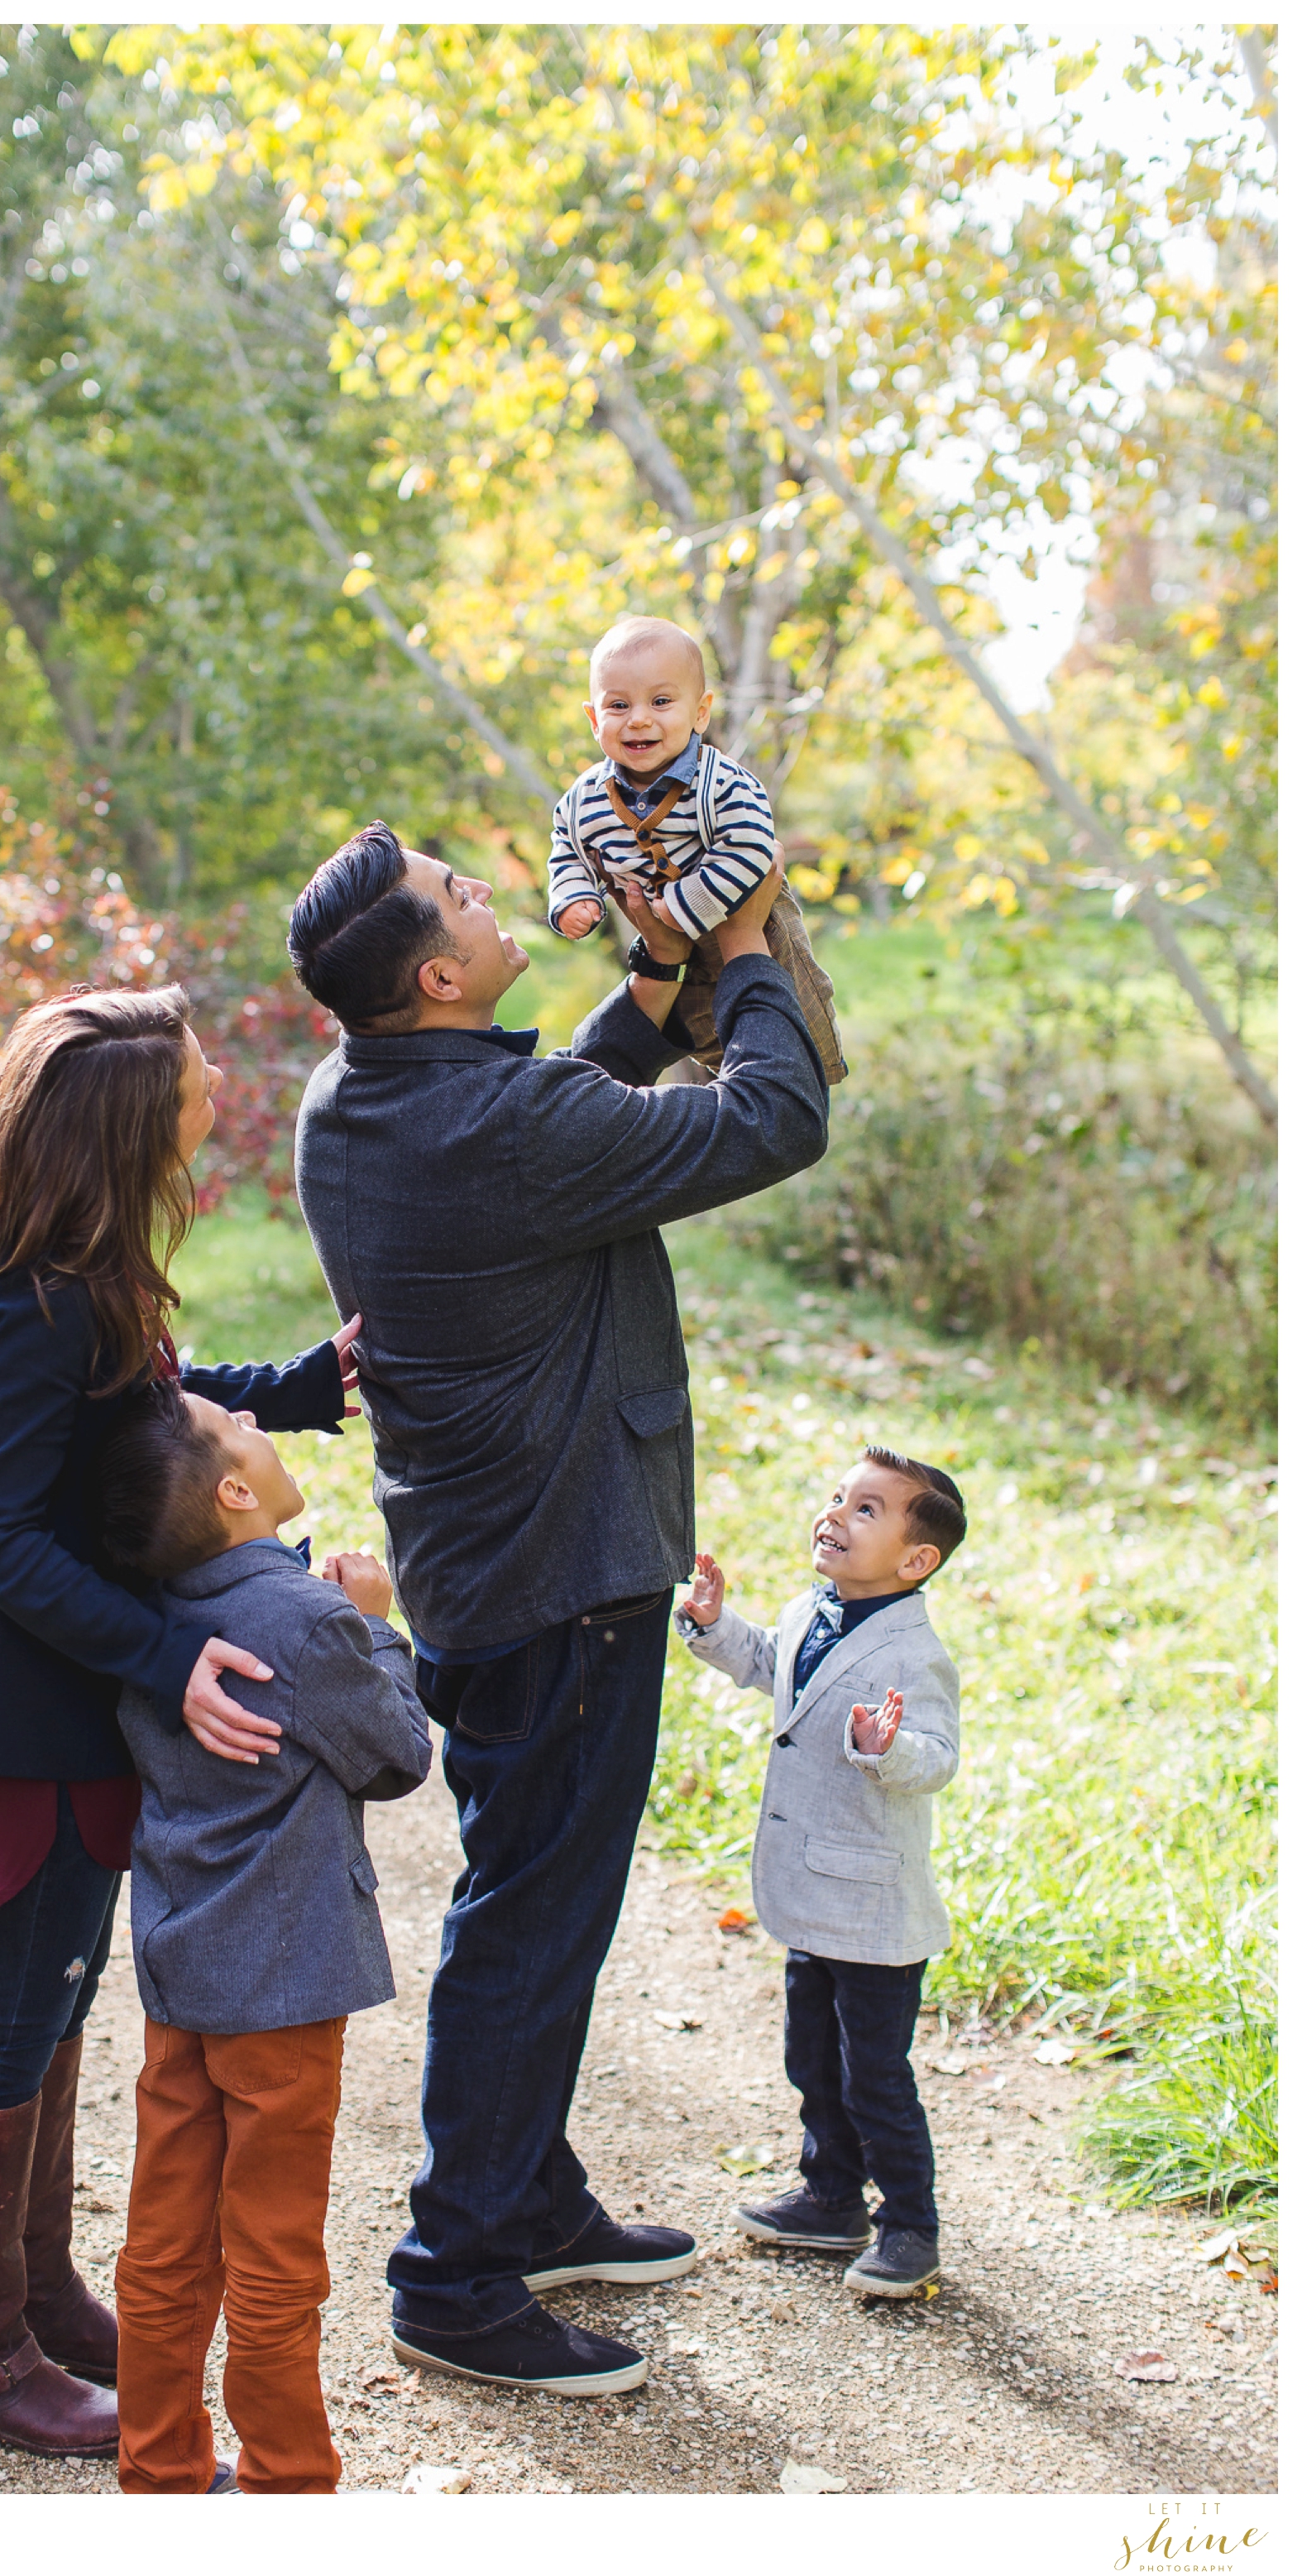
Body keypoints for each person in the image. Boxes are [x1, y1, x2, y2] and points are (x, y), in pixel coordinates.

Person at [286, 820, 829, 2394]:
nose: (483, 890)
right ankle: (454, 2271)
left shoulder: (355, 1095)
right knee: (532, 1919)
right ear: (443, 976)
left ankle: (523, 2194)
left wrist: (650, 975)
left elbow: (539, 1119)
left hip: (481, 1567)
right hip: (562, 1579)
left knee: (520, 1897)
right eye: (456, 895)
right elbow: (773, 1116)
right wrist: (738, 955)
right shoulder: (505, 1120)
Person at [0, 982, 360, 2460]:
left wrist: (289, 1388)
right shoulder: (31, 1307)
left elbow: (135, 1403)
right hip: (12, 1720)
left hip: (62, 1705)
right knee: (6, 2017)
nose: (214, 1082)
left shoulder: (81, 1274)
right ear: (125, 1127)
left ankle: (27, 2292)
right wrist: (167, 1654)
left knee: (59, 1994)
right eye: (196, 1072)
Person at [90, 1381, 431, 2493]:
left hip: (180, 1970)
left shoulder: (148, 1617)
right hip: (283, 1990)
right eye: (241, 1427)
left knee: (165, 2235)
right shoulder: (306, 1620)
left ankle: (161, 2470)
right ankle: (286, 2478)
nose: (260, 1426)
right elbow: (396, 1756)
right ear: (238, 1490)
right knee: (275, 2251)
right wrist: (377, 1622)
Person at [675, 1446, 966, 2298]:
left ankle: (909, 2222)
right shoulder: (813, 1608)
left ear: (916, 1560)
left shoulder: (916, 1654)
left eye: (866, 1509)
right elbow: (772, 1666)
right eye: (838, 1497)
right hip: (810, 1893)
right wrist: (712, 1625)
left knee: (872, 2073)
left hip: (873, 1908)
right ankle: (829, 2192)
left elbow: (938, 1756)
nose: (834, 1514)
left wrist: (890, 1748)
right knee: (812, 2055)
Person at [548, 614, 845, 1082]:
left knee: (791, 1010)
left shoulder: (719, 782)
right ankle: (736, 1088)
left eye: (661, 701)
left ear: (701, 711)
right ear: (593, 719)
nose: (639, 718)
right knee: (705, 1030)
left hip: (748, 920)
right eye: (618, 706)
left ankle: (805, 1082)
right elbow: (568, 845)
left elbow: (752, 846)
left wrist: (689, 905)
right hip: (670, 944)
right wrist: (574, 895)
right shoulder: (584, 798)